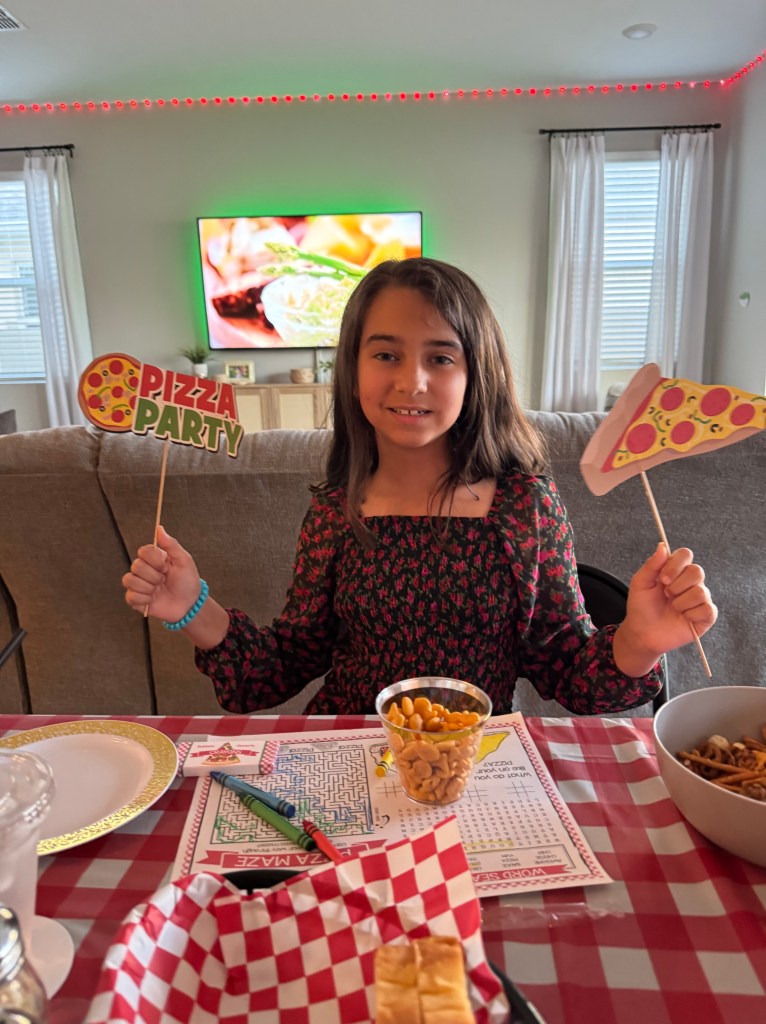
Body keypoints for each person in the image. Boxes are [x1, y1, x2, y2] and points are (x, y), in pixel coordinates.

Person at [122, 257, 717, 716]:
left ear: (476, 373)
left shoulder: (525, 506)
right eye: (386, 354)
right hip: (347, 756)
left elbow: (570, 672)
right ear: (353, 369)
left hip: (470, 769)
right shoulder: (336, 509)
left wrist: (640, 640)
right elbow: (279, 668)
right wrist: (192, 606)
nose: (412, 382)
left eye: (441, 358)